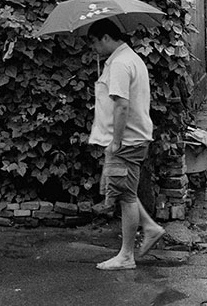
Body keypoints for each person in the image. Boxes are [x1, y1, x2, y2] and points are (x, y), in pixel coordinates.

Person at [87, 18, 166, 271]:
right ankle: (150, 228)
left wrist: (116, 142)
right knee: (124, 191)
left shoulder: (120, 63)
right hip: (133, 137)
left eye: (94, 42)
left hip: (126, 140)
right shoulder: (129, 58)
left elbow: (121, 105)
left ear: (106, 38)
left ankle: (126, 256)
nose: (94, 49)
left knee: (125, 197)